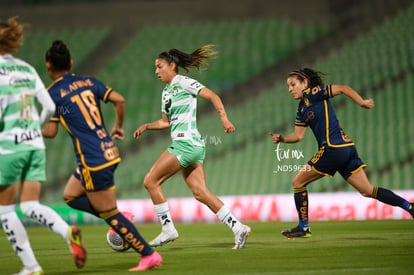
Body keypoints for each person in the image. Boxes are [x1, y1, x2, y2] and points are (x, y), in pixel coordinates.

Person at [41, 40, 162, 271]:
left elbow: (50, 131)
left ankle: (148, 254)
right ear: (71, 63)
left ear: (48, 67)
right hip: (108, 150)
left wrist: (28, 127)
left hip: (92, 159)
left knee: (109, 214)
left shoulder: (53, 94)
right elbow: (119, 99)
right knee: (71, 195)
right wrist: (117, 126)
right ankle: (120, 216)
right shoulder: (88, 81)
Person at [269, 68, 414, 238]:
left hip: (332, 149)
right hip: (347, 148)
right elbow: (298, 136)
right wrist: (283, 139)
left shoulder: (313, 92)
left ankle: (304, 227)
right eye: (288, 86)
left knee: (298, 182)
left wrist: (361, 102)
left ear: (305, 83)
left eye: (293, 84)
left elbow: (343, 88)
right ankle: (409, 206)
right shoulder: (301, 108)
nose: (290, 89)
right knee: (367, 190)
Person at [133, 45, 251, 249]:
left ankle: (168, 229)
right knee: (200, 193)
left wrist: (224, 119)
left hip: (185, 143)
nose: (156, 71)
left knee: (150, 181)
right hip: (192, 144)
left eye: (160, 66)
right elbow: (165, 122)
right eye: (155, 67)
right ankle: (238, 227)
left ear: (172, 65)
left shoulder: (183, 82)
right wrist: (147, 126)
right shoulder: (166, 92)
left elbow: (214, 96)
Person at [0, 17, 86, 275]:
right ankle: (67, 231)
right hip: (34, 145)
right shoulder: (26, 68)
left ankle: (31, 266)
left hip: (10, 146)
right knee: (28, 205)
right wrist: (33, 130)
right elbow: (49, 106)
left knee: (5, 210)